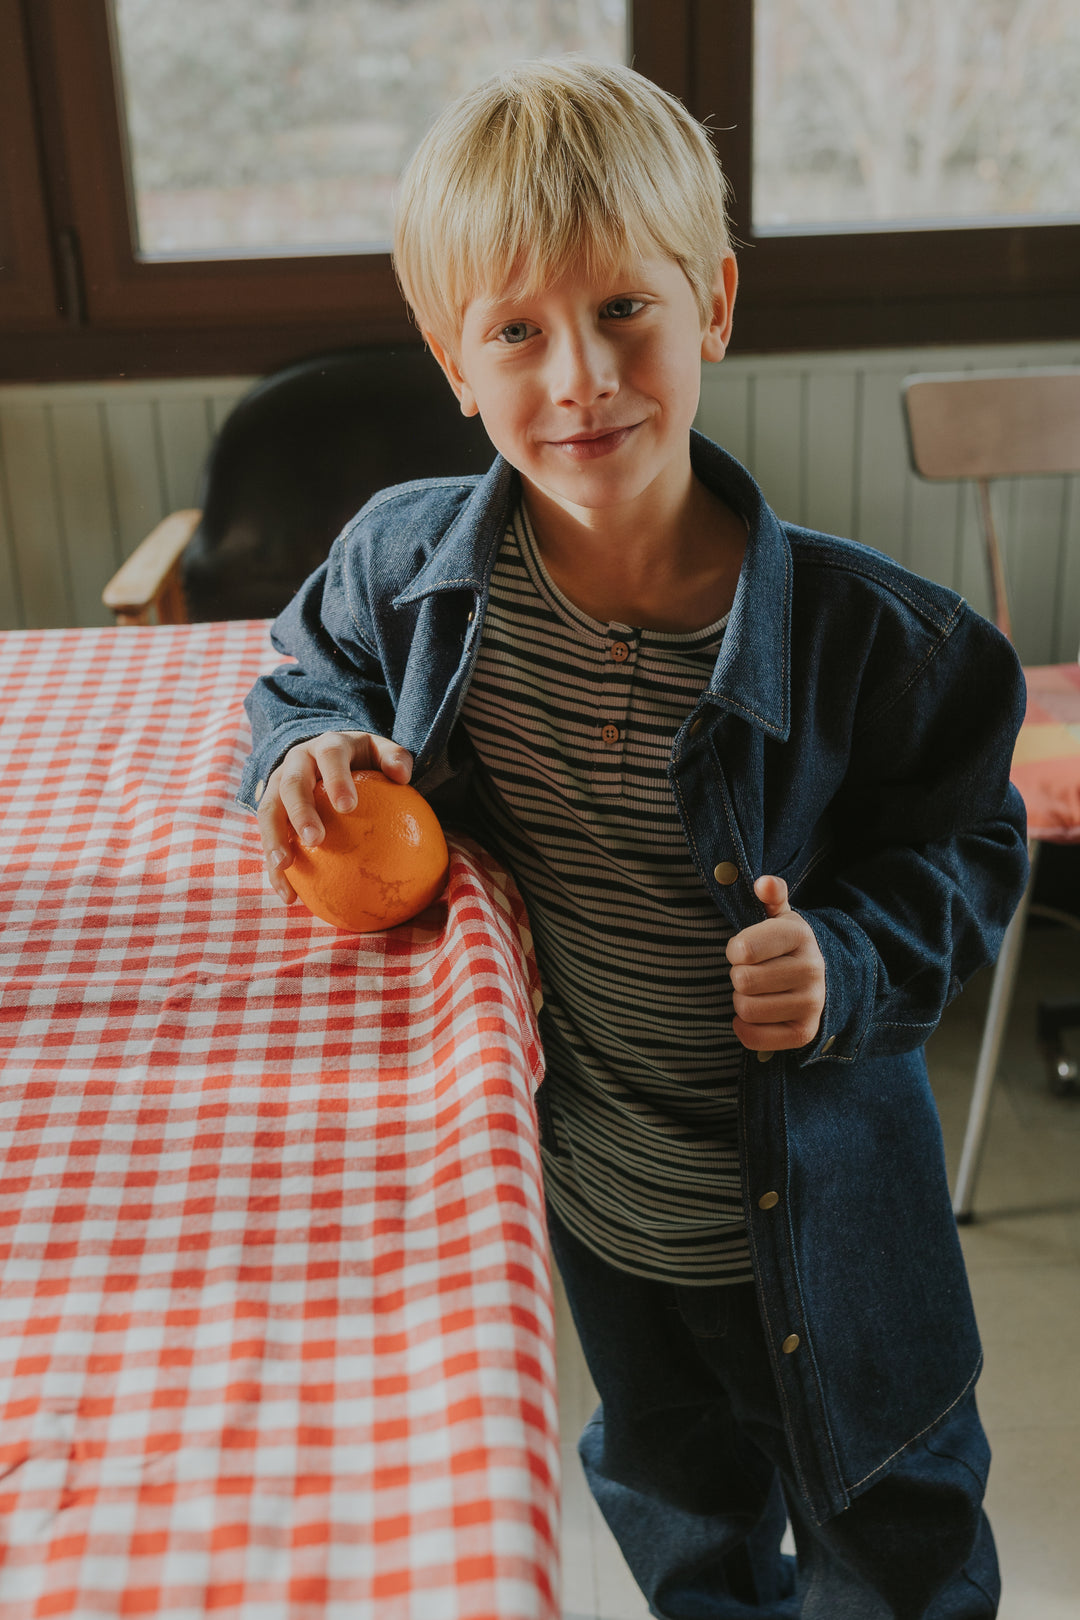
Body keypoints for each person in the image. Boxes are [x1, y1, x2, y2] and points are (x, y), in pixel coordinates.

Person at [237, 58, 1028, 1619]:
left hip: (835, 1240)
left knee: (898, 1551)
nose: (579, 377)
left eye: (623, 312)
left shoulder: (889, 644)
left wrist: (851, 958)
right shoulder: (406, 562)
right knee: (679, 1519)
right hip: (598, 1206)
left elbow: (975, 858)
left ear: (716, 303)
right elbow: (301, 677)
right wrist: (308, 751)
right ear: (452, 364)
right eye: (516, 331)